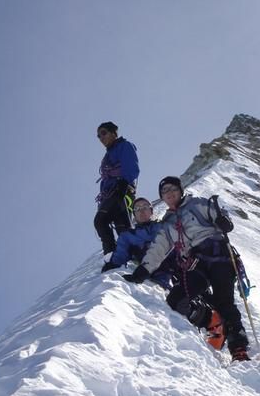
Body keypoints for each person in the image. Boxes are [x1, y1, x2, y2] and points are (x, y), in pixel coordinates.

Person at [123, 176, 250, 361]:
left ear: (180, 190)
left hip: (219, 256)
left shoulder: (197, 204)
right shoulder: (167, 224)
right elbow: (158, 248)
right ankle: (213, 321)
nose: (169, 193)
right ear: (162, 197)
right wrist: (143, 270)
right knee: (176, 298)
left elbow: (219, 214)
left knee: (225, 302)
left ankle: (239, 349)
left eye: (172, 189)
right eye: (165, 191)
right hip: (196, 262)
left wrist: (224, 222)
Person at [101, 197, 173, 289]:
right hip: (152, 271)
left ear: (151, 211)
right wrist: (112, 264)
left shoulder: (164, 226)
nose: (141, 211)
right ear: (134, 214)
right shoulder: (128, 236)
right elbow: (121, 255)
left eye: (145, 207)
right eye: (137, 209)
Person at [94, 121, 140, 257]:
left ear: (114, 133)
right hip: (112, 193)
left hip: (121, 190)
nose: (101, 138)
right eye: (98, 136)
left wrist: (123, 185)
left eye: (103, 133)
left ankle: (111, 256)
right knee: (122, 226)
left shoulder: (124, 146)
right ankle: (129, 255)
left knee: (101, 221)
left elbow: (132, 167)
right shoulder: (109, 155)